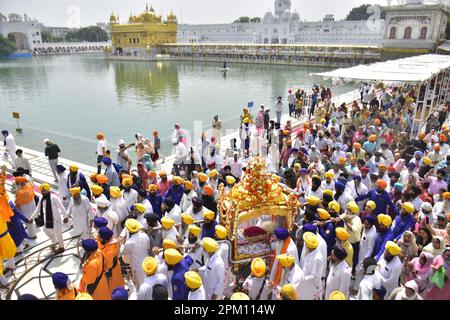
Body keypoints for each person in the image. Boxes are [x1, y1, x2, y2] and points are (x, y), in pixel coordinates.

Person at [30, 183, 67, 254]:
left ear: (48, 190)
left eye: (45, 191)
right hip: (48, 219)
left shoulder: (54, 198)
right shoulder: (41, 199)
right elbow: (37, 210)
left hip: (56, 219)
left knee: (58, 233)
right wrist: (31, 218)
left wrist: (65, 217)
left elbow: (61, 208)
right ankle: (55, 242)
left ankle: (61, 247)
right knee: (46, 230)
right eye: (42, 191)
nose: (44, 192)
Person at [121, 219, 150, 291]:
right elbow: (148, 248)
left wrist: (122, 244)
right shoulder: (145, 235)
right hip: (147, 264)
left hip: (137, 268)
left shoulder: (130, 242)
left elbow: (123, 252)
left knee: (140, 288)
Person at [98, 227, 124, 294]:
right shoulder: (112, 241)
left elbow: (108, 266)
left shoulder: (109, 251)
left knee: (113, 287)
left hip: (112, 271)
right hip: (116, 267)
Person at [299, 232, 324, 300]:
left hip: (312, 287)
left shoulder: (317, 258)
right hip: (307, 285)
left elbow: (314, 277)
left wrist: (302, 279)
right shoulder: (310, 253)